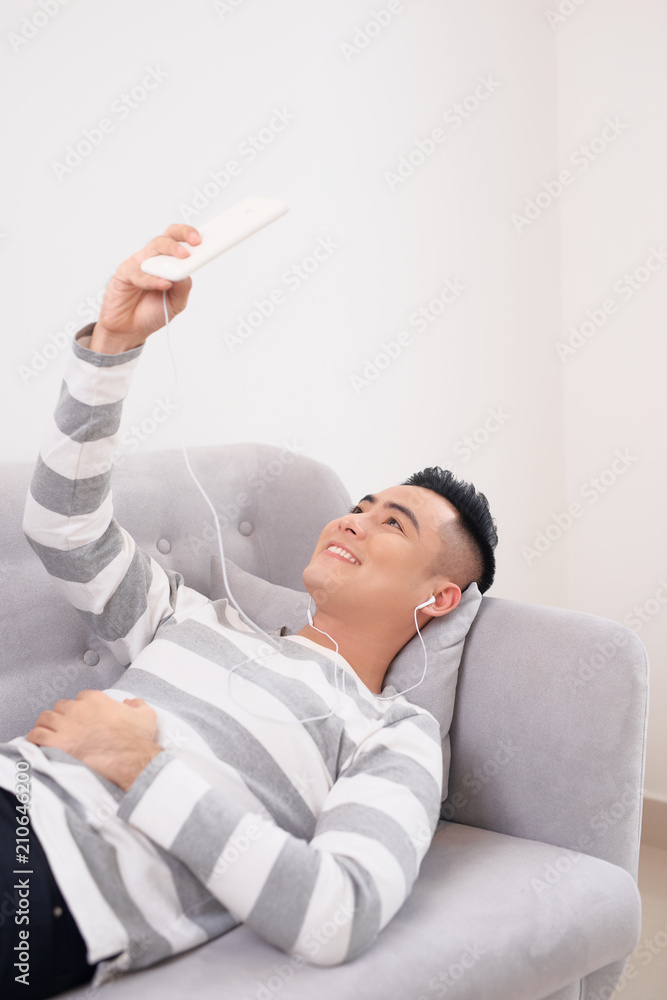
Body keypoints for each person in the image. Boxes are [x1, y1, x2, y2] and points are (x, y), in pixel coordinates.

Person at [0, 224, 498, 999]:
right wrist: (113, 344)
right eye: (358, 506)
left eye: (390, 523)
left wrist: (141, 765)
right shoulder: (190, 616)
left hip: (49, 883)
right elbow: (62, 526)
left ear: (437, 598)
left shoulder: (388, 733)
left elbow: (338, 911)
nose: (351, 519)